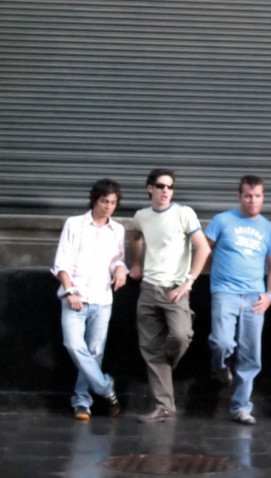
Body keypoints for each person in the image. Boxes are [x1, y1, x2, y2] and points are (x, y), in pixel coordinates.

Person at [129, 168, 211, 423]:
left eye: (170, 187)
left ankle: (162, 365)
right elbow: (135, 236)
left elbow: (203, 248)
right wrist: (136, 263)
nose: (166, 191)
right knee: (151, 349)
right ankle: (164, 407)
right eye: (160, 186)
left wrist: (189, 282)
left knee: (180, 335)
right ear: (150, 188)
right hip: (148, 289)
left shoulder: (184, 214)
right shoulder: (141, 216)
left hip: (175, 290)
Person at [205, 175, 271, 425]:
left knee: (250, 355)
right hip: (225, 291)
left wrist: (270, 296)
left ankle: (241, 407)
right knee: (221, 342)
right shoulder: (222, 220)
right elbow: (203, 250)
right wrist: (207, 274)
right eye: (248, 196)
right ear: (240, 197)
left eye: (257, 196)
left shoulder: (268, 228)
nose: (252, 200)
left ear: (263, 198)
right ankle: (219, 367)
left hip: (254, 297)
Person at [52, 178, 127, 421]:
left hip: (102, 299)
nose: (108, 207)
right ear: (95, 200)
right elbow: (61, 263)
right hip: (75, 298)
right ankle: (106, 388)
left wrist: (120, 268)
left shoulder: (117, 230)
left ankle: (82, 401)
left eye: (113, 202)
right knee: (74, 345)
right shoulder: (74, 224)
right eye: (104, 201)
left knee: (95, 353)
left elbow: (117, 259)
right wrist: (70, 291)